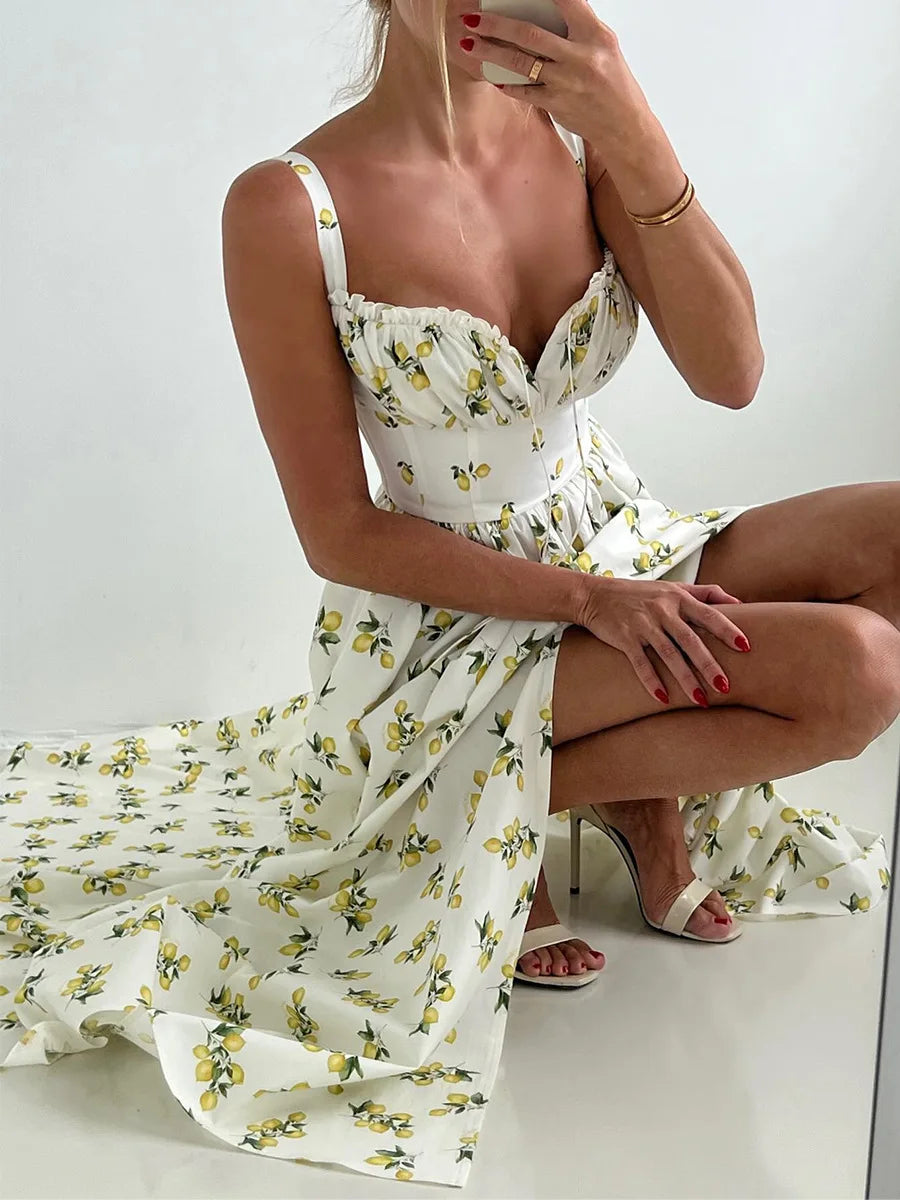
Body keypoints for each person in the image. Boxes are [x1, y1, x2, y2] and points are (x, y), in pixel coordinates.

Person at [2, 0, 898, 1190]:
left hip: (615, 538)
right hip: (441, 629)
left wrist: (636, 127)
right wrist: (588, 603)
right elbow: (340, 531)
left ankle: (606, 794)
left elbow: (731, 373)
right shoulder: (288, 205)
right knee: (859, 670)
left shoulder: (580, 138)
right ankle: (483, 807)